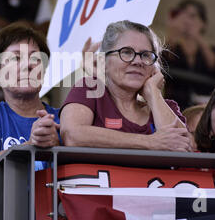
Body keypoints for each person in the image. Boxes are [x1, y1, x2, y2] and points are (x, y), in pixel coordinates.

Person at [0, 22, 60, 220]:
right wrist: (31, 145)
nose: (28, 65)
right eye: (15, 58)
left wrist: (58, 146)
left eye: (35, 58)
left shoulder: (63, 116)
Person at [59, 20, 192, 152]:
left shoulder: (167, 107)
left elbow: (184, 147)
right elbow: (72, 135)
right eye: (127, 52)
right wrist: (150, 142)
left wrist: (153, 93)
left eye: (146, 55)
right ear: (104, 62)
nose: (138, 61)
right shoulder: (89, 90)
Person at [162, 0, 215, 110]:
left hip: (203, 109)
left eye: (193, 16)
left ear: (203, 23)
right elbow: (164, 60)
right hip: (173, 108)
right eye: (184, 16)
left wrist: (197, 36)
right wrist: (173, 31)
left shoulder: (213, 50)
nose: (188, 21)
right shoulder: (174, 48)